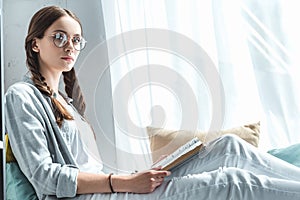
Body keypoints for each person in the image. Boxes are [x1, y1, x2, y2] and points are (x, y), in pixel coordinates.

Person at [4, 5, 300, 200]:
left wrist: (134, 176)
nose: (70, 45)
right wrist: (123, 183)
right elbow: (44, 177)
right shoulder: (21, 96)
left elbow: (88, 165)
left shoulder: (66, 102)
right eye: (59, 37)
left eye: (76, 40)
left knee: (228, 147)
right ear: (35, 43)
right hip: (94, 196)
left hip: (113, 186)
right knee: (233, 183)